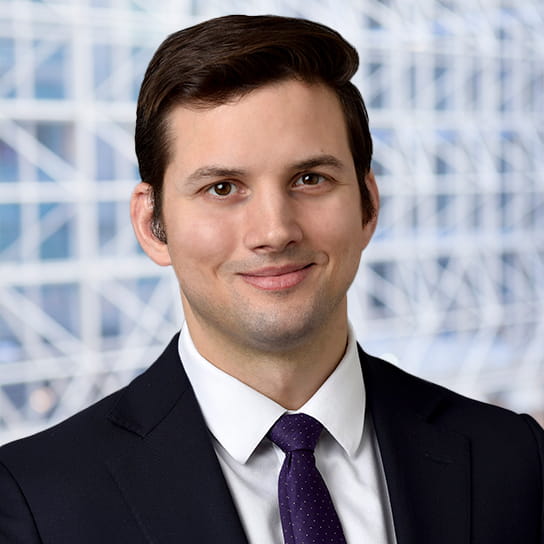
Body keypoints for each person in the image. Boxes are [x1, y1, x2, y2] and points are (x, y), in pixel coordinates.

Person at [0, 14, 542, 544]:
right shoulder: (35, 503)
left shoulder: (515, 459)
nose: (275, 232)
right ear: (152, 225)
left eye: (310, 178)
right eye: (222, 188)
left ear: (368, 204)